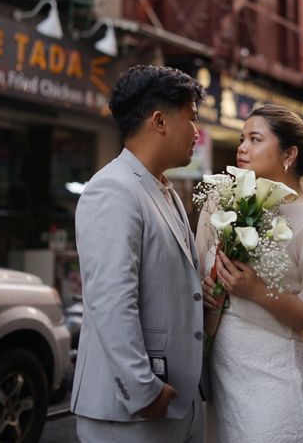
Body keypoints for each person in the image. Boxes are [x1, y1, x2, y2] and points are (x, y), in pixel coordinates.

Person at [196, 104, 303, 443]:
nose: (242, 147)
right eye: (242, 138)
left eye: (255, 139)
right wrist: (208, 289)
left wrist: (258, 291)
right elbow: (204, 272)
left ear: (290, 153)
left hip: (275, 387)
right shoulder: (224, 204)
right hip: (223, 385)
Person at [71, 64, 206, 443]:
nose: (197, 132)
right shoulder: (113, 190)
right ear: (159, 121)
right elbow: (112, 298)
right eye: (191, 119)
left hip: (179, 404)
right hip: (131, 413)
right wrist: (143, 389)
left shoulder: (164, 190)